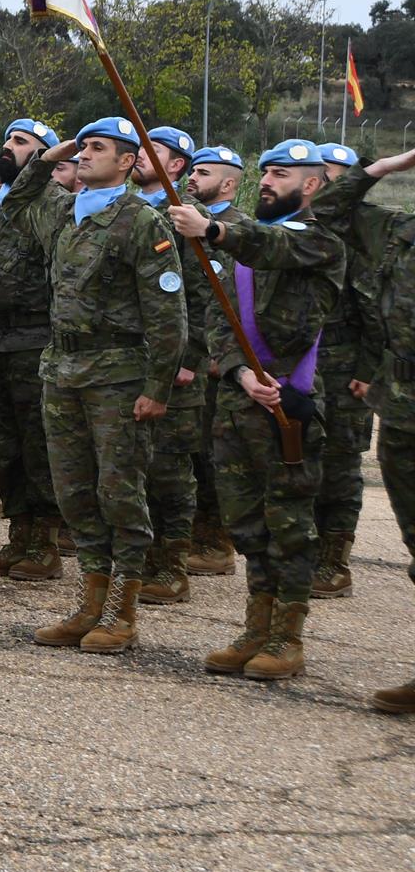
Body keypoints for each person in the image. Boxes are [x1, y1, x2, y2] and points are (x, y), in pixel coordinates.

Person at [3, 117, 185, 654]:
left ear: (128, 161)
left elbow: (168, 314)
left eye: (97, 148)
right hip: (63, 371)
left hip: (119, 375)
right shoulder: (65, 214)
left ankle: (121, 611)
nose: (83, 155)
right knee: (74, 492)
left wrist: (158, 387)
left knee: (119, 491)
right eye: (81, 148)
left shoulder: (141, 222)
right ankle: (89, 602)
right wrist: (52, 152)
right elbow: (16, 201)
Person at [168, 141, 343, 680]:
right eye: (264, 171)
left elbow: (271, 247)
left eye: (281, 174)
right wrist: (241, 372)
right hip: (239, 397)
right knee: (245, 522)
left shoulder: (321, 242)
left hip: (292, 398)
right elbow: (218, 321)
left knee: (288, 522)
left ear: (310, 185)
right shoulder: (240, 248)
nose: (267, 180)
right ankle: (255, 629)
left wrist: (215, 230)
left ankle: (287, 637)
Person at [308, 145, 415, 711]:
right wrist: (379, 170)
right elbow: (325, 211)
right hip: (402, 403)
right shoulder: (398, 232)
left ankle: (334, 554)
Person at [0, 118, 68, 581]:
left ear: (47, 156)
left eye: (21, 142)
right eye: (7, 138)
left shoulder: (53, 204)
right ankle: (18, 535)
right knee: (3, 446)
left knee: (36, 446)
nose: (8, 147)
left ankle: (44, 543)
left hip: (34, 339)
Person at [130, 126, 207, 606]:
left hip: (174, 363)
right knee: (138, 465)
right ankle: (144, 559)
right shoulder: (132, 209)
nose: (137, 156)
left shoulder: (183, 218)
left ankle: (174, 565)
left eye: (150, 151)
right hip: (132, 359)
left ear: (176, 164)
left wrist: (188, 358)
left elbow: (200, 298)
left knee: (170, 469)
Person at [307, 141, 378, 598]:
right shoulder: (300, 230)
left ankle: (334, 561)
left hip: (346, 362)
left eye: (336, 175)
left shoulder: (362, 238)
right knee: (303, 456)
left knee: (339, 464)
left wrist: (369, 368)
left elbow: (376, 309)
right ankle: (306, 550)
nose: (326, 182)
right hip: (305, 360)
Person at [182, 145, 249, 576]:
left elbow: (229, 300)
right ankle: (193, 533)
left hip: (213, 358)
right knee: (187, 450)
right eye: (191, 170)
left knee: (211, 453)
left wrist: (211, 354)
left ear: (227, 184)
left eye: (202, 173)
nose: (192, 177)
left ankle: (216, 541)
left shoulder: (238, 231)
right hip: (185, 347)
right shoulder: (184, 222)